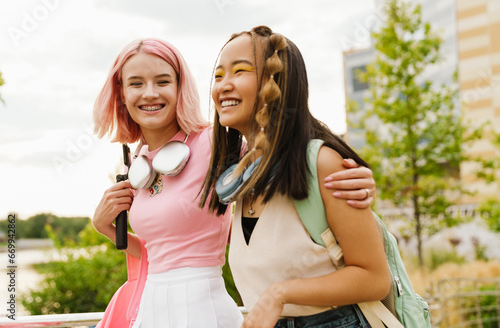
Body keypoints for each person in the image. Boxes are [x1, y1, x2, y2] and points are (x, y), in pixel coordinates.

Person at [92, 37, 376, 328]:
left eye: (163, 81)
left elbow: (278, 153)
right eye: (136, 83)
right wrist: (106, 228)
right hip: (153, 309)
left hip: (202, 309)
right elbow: (164, 251)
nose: (149, 93)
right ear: (121, 93)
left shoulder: (214, 144)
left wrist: (355, 174)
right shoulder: (138, 163)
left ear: (180, 88)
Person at [200, 26, 390, 328]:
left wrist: (280, 293)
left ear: (277, 81)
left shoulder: (322, 162)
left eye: (240, 71)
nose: (223, 85)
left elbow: (375, 278)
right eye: (219, 75)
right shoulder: (242, 177)